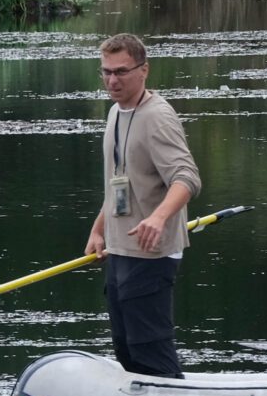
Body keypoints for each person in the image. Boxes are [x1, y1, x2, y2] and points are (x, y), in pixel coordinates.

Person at [84, 34, 199, 378]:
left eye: (121, 72)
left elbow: (187, 178)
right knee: (125, 346)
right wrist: (98, 230)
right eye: (105, 72)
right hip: (120, 250)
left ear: (144, 70)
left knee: (149, 347)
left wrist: (159, 218)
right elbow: (121, 181)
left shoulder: (157, 117)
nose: (112, 81)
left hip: (152, 254)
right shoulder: (116, 112)